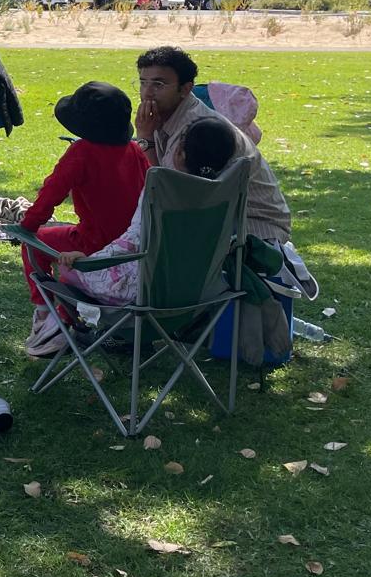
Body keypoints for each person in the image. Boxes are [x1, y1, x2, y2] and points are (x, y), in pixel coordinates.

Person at [20, 82, 150, 357]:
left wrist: (26, 227)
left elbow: (50, 194)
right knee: (55, 234)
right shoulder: (136, 151)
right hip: (134, 250)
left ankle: (46, 314)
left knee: (35, 241)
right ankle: (61, 316)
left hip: (95, 247)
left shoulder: (82, 152)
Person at [53, 118, 241, 305]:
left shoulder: (164, 189)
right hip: (201, 293)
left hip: (147, 297)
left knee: (68, 267)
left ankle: (59, 328)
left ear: (181, 154)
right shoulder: (224, 191)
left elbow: (132, 241)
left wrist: (89, 261)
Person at [135, 46, 291, 245]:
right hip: (219, 218)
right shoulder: (164, 116)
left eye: (159, 84)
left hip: (254, 227)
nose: (147, 93)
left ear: (185, 89)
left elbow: (166, 195)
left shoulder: (192, 130)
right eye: (143, 82)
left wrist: (145, 138)